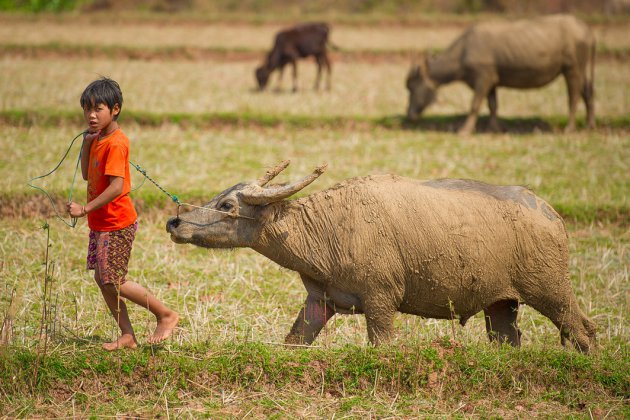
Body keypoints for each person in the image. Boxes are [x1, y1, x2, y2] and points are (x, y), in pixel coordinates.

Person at [67, 77, 178, 351]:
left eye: (98, 108)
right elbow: (85, 175)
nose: (91, 115)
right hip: (101, 223)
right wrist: (85, 144)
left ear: (115, 109)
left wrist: (85, 209)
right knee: (103, 279)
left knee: (113, 279)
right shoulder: (98, 140)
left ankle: (165, 315)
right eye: (87, 109)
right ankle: (127, 335)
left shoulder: (116, 143)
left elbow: (116, 187)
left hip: (116, 222)